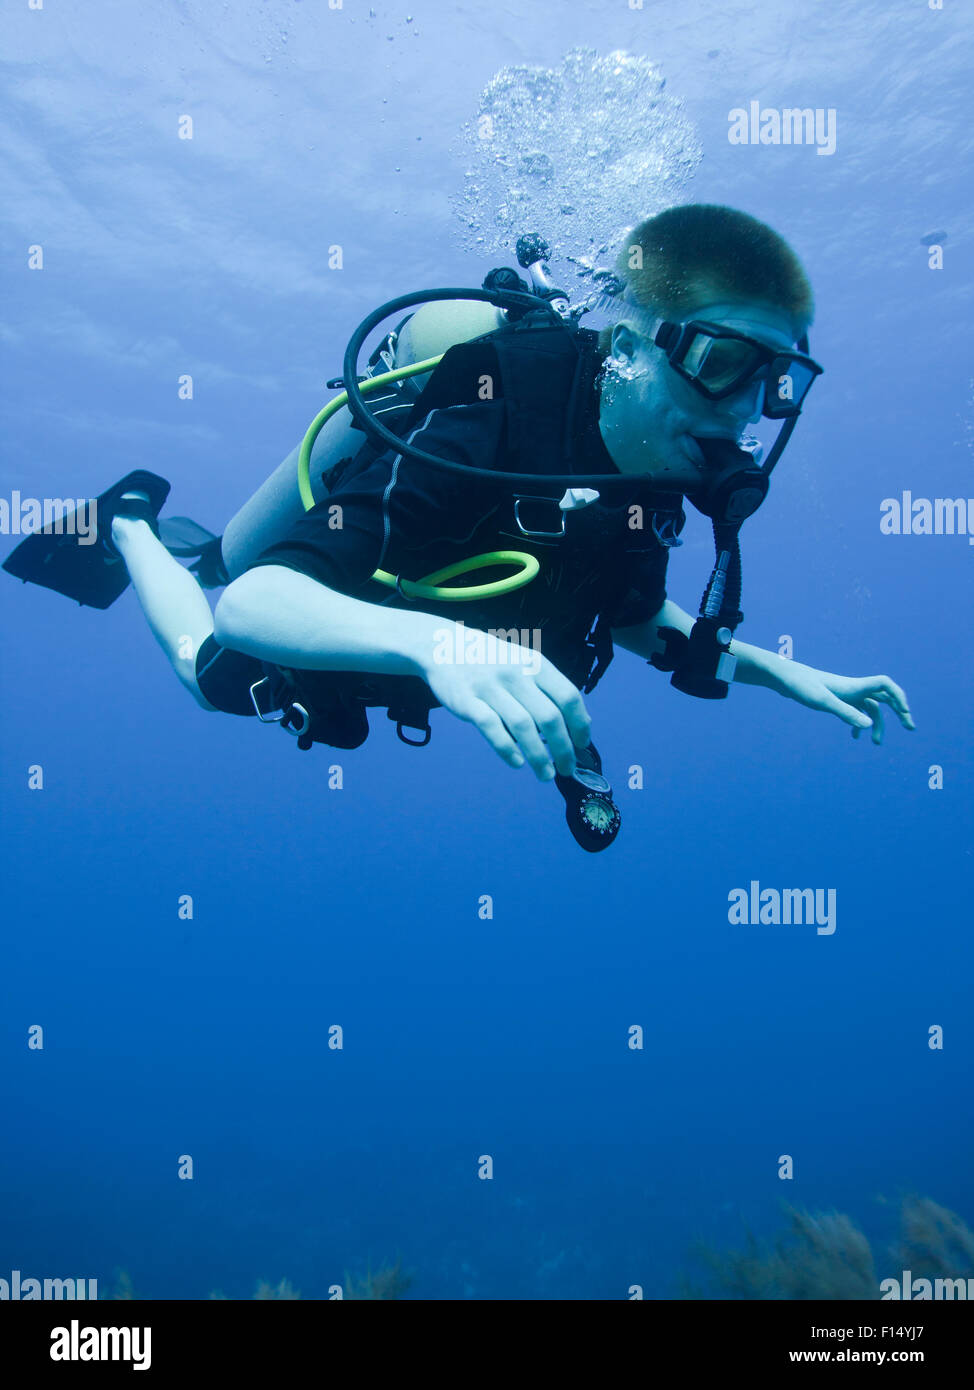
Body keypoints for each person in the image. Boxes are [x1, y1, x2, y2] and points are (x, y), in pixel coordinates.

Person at [4, 204, 914, 849]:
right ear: (634, 349)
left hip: (453, 643)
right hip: (367, 607)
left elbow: (638, 621)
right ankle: (132, 524)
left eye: (777, 382)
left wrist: (781, 671)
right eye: (723, 362)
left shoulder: (660, 462)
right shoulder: (494, 406)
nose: (744, 411)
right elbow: (253, 603)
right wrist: (445, 648)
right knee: (211, 675)